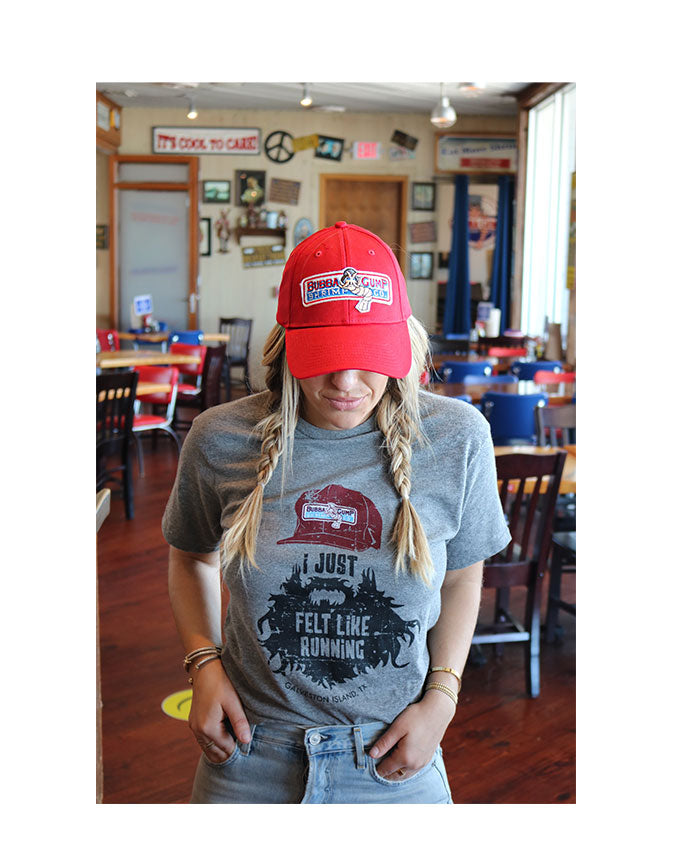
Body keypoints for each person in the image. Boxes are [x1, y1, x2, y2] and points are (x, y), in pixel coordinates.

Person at [162, 222, 511, 804]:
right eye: (324, 357)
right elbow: (191, 558)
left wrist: (442, 701)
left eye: (368, 357)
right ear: (286, 341)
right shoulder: (219, 438)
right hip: (249, 751)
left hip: (396, 756)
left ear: (403, 341)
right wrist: (203, 664)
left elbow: (460, 574)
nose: (346, 383)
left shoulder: (458, 438)